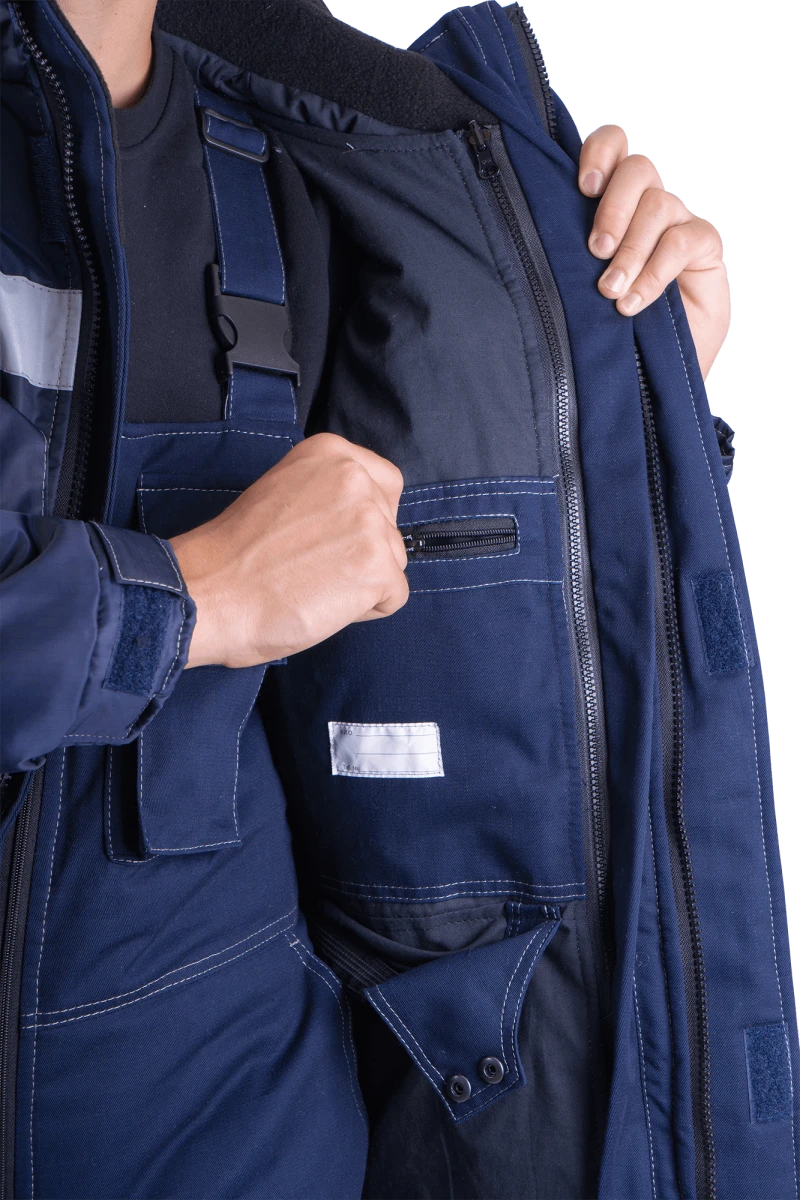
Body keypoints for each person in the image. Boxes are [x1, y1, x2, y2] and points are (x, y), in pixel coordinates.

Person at [0, 1, 731, 1197]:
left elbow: (458, 688)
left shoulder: (312, 164)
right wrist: (188, 600)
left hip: (260, 1144)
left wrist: (618, 401)